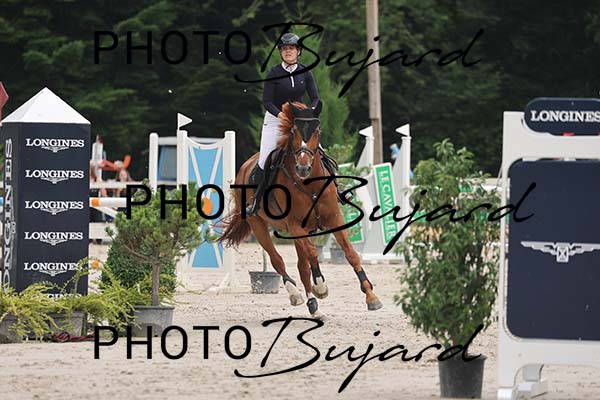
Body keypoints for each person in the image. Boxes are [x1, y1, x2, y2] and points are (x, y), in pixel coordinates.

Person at [246, 32, 341, 216]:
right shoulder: (273, 73)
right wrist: (281, 115)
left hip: (299, 120)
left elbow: (315, 98)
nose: (288, 51)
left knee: (321, 153)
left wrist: (310, 112)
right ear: (280, 52)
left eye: (291, 48)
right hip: (276, 120)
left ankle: (338, 191)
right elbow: (267, 102)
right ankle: (256, 200)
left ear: (299, 51)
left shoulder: (305, 72)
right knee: (265, 159)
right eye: (284, 49)